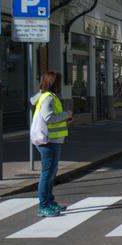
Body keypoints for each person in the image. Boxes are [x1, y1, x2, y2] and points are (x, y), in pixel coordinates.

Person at [30, 71, 73, 217]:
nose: (60, 84)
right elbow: (48, 118)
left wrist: (64, 119)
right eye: (58, 81)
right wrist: (66, 114)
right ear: (53, 83)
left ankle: (49, 202)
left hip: (51, 139)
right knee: (47, 174)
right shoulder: (48, 97)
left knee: (50, 173)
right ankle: (43, 206)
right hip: (48, 140)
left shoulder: (47, 96)